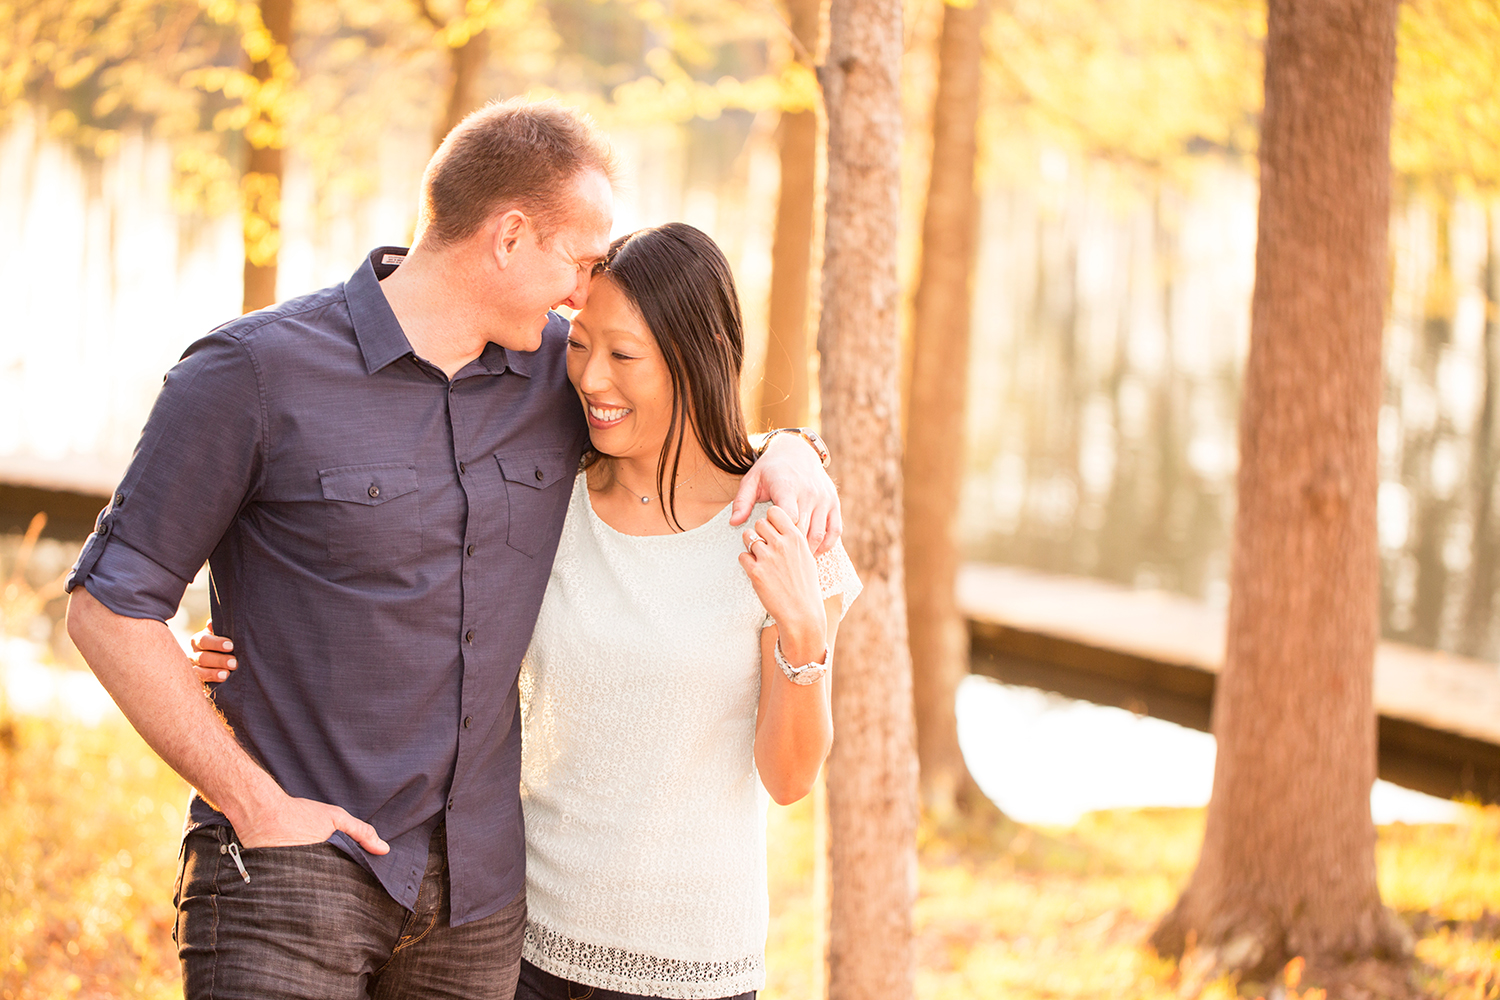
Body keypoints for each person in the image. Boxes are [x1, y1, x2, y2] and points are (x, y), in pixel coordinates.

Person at [63, 100, 839, 1000]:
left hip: (479, 904)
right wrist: (253, 801)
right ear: (510, 237)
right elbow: (108, 606)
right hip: (295, 868)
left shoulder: (561, 373)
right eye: (582, 261)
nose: (587, 293)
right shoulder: (254, 373)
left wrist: (794, 451)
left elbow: (673, 396)